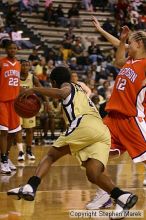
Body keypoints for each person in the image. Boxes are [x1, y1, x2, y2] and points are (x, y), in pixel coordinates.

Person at [7, 66, 138, 218]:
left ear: (53, 82)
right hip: (102, 131)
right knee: (93, 173)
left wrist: (34, 90)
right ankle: (122, 196)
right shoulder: (78, 89)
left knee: (50, 156)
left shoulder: (66, 87)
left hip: (85, 124)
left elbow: (62, 93)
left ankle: (31, 186)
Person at [86, 18, 146, 210]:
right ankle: (106, 194)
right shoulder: (129, 61)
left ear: (138, 44)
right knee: (92, 157)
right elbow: (117, 59)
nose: (127, 45)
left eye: (130, 42)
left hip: (131, 119)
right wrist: (106, 33)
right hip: (112, 119)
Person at [16, 59, 50, 161]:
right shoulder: (15, 77)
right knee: (18, 129)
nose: (26, 67)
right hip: (17, 106)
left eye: (27, 65)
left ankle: (29, 150)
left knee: (30, 129)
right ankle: (21, 151)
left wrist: (47, 102)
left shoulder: (33, 78)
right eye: (23, 65)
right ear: (19, 66)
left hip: (29, 107)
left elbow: (41, 89)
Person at [0, 41, 21, 174]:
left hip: (14, 103)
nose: (12, 50)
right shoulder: (1, 62)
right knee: (4, 132)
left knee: (13, 133)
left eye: (14, 48)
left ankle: (6, 157)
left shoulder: (18, 64)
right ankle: (3, 160)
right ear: (6, 50)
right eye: (10, 48)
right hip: (2, 101)